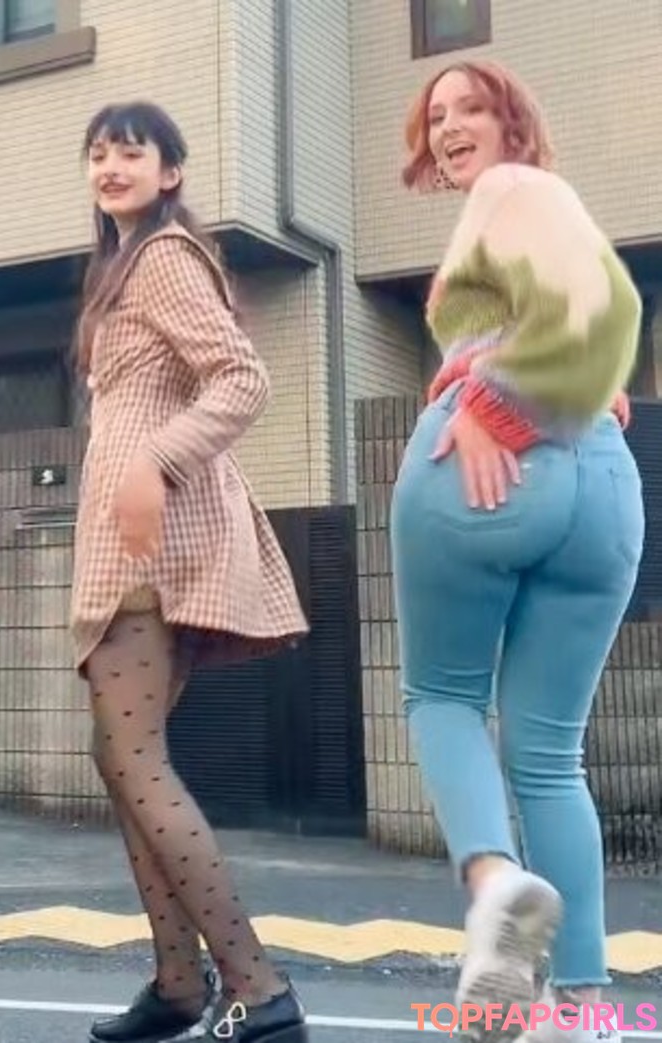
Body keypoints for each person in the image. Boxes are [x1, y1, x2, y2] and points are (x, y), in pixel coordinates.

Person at [391, 60, 643, 1043]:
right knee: (548, 755)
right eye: (436, 115)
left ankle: (495, 884)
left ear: (514, 121)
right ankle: (581, 1011)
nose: (449, 126)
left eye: (471, 107)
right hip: (602, 478)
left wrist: (491, 406)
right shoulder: (540, 205)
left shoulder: (513, 188)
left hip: (492, 457)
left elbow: (610, 312)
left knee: (442, 697)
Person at [70, 101, 310, 1043]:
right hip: (131, 532)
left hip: (153, 539)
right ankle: (177, 981)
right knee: (119, 755)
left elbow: (242, 377)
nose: (111, 165)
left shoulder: (164, 256)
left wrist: (156, 460)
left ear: (170, 171)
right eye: (98, 153)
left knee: (133, 754)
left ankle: (256, 983)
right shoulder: (121, 266)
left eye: (131, 152)